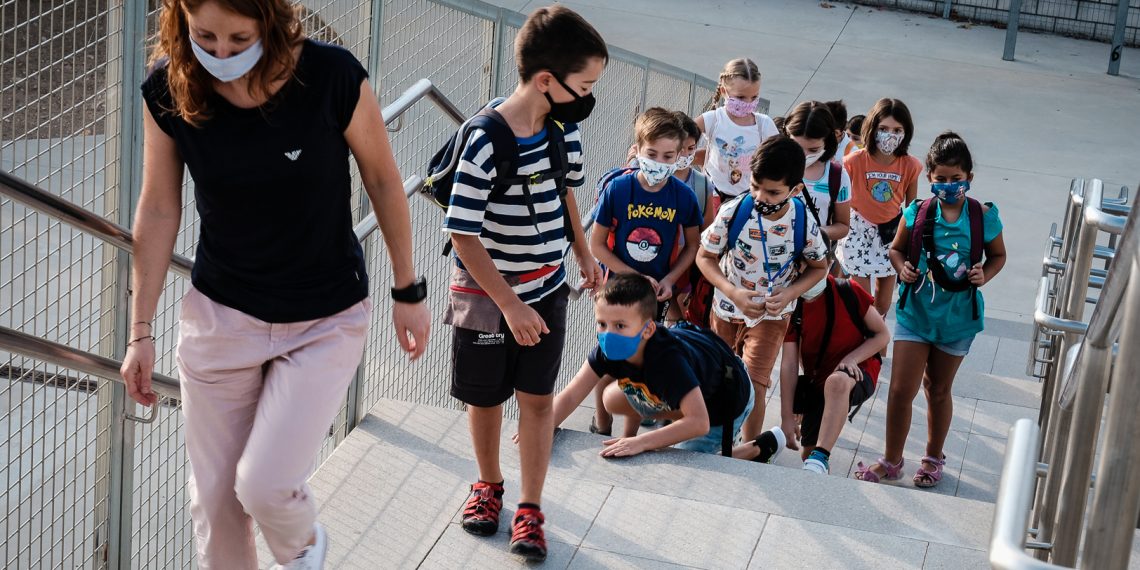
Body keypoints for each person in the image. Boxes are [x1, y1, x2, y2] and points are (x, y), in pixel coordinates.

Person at [122, 1, 431, 568]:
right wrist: (139, 330)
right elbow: (159, 207)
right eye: (204, 36)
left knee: (263, 484)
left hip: (324, 317)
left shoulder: (333, 76)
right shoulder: (168, 88)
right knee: (215, 510)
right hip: (222, 317)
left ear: (270, 19)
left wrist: (407, 290)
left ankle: (304, 552)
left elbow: (384, 179)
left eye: (238, 38)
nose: (219, 53)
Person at [441, 5, 606, 562]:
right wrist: (509, 305)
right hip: (489, 298)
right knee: (485, 398)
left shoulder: (564, 131)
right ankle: (488, 486)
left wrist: (583, 252)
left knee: (537, 401)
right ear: (546, 81)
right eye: (584, 85)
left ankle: (531, 508)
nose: (589, 96)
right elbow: (462, 233)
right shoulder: (486, 140)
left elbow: (566, 193)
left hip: (548, 287)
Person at [855, 132, 1006, 487]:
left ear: (969, 176)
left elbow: (998, 255)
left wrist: (986, 272)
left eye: (957, 179)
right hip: (916, 314)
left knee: (937, 389)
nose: (950, 185)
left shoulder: (982, 217)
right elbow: (896, 249)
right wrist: (900, 266)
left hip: (958, 318)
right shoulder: (918, 211)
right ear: (930, 178)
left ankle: (933, 457)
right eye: (941, 179)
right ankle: (892, 460)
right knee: (900, 390)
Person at [548, 273, 767, 460]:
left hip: (724, 399)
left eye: (620, 325)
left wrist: (642, 442)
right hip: (695, 385)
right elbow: (570, 394)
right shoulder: (610, 348)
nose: (608, 333)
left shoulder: (668, 362)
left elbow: (699, 423)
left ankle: (757, 448)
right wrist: (542, 428)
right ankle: (683, 413)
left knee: (688, 465)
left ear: (648, 330)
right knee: (611, 398)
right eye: (602, 324)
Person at [696, 136, 828, 442]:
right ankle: (712, 437)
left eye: (772, 192)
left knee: (755, 381)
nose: (760, 196)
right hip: (727, 309)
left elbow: (819, 267)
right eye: (755, 186)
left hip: (772, 316)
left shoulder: (802, 221)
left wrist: (790, 293)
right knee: (718, 376)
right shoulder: (734, 211)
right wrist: (733, 292)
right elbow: (705, 257)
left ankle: (749, 445)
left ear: (795, 190)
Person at [590, 107, 701, 323]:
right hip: (617, 289)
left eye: (668, 156)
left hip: (657, 293)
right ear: (637, 150)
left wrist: (670, 280)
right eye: (651, 154)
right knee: (613, 348)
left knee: (650, 350)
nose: (659, 162)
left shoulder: (684, 196)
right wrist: (633, 276)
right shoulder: (617, 189)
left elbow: (692, 245)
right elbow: (597, 245)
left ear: (678, 156)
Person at [778, 275, 890, 474]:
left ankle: (821, 455)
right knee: (807, 455)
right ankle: (818, 463)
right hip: (817, 380)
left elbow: (882, 335)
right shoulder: (792, 303)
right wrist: (786, 414)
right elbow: (789, 364)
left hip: (857, 370)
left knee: (836, 381)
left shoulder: (848, 289)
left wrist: (851, 359)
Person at [840, 98, 922, 321]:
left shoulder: (910, 165)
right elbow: (841, 198)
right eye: (883, 129)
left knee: (883, 303)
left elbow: (911, 208)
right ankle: (866, 344)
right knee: (863, 299)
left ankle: (874, 340)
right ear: (872, 128)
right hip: (858, 231)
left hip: (890, 234)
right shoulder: (854, 161)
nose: (890, 135)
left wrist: (911, 242)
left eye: (897, 130)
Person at [695, 58, 780, 203]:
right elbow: (679, 139)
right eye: (741, 97)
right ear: (724, 91)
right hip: (712, 196)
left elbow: (780, 158)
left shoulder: (764, 125)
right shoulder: (713, 119)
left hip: (748, 200)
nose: (748, 103)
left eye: (754, 97)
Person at [784, 101, 851, 246]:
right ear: (787, 134)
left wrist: (813, 233)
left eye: (813, 150)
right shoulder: (774, 165)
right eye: (797, 146)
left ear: (827, 143)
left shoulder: (837, 176)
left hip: (812, 257)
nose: (804, 155)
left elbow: (843, 226)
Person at [675, 111, 716, 230]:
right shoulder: (655, 177)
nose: (685, 154)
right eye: (680, 148)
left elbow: (706, 230)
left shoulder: (702, 184)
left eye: (691, 148)